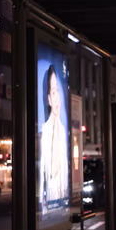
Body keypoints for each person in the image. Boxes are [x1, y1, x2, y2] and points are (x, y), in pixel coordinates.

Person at [40, 65, 68, 214]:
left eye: (57, 90)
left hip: (61, 206)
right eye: (53, 92)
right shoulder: (44, 132)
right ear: (48, 99)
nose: (57, 98)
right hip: (48, 208)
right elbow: (42, 177)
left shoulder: (63, 132)